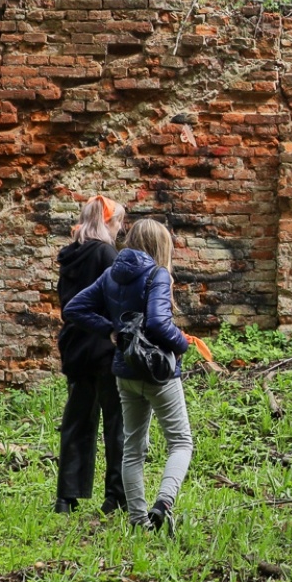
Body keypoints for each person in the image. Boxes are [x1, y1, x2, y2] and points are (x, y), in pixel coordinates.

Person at [64, 218, 193, 534]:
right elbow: (160, 324)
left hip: (125, 370)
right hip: (159, 373)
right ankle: (163, 504)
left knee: (133, 447)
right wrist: (183, 344)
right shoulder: (156, 274)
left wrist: (111, 330)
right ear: (159, 245)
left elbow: (74, 308)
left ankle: (138, 521)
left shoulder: (111, 274)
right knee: (180, 442)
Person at [54, 194, 126, 516]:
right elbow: (118, 301)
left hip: (75, 348)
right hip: (105, 348)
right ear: (107, 223)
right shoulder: (108, 254)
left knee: (76, 422)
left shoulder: (70, 256)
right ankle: (115, 497)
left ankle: (66, 498)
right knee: (116, 424)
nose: (121, 229)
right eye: (119, 222)